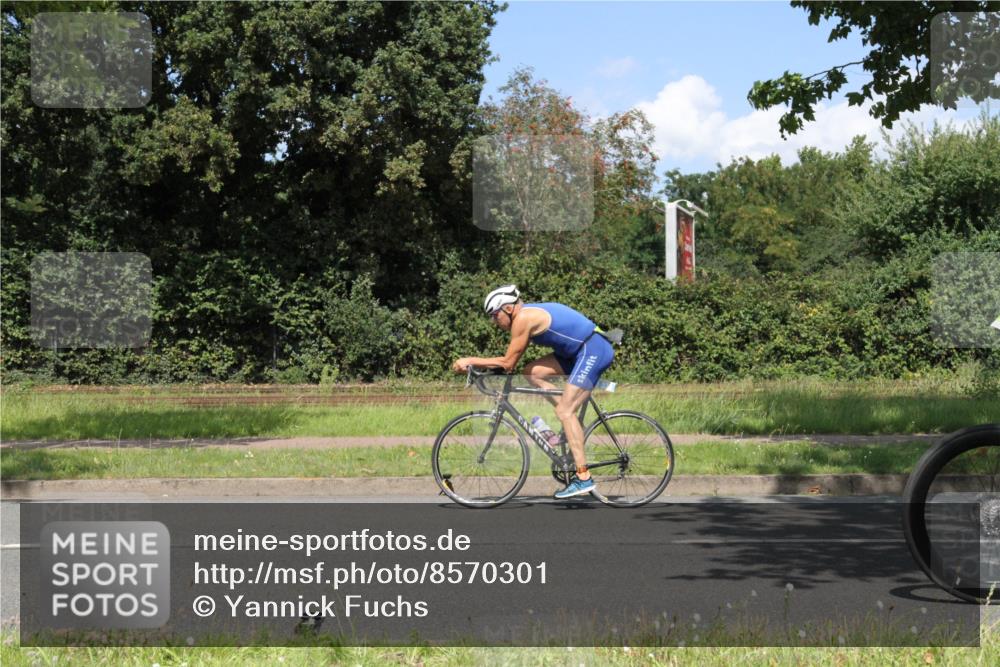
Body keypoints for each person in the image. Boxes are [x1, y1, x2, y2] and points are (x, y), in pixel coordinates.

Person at [451, 285, 615, 499]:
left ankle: (584, 477)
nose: (494, 321)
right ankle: (571, 420)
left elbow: (508, 363)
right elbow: (510, 365)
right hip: (576, 353)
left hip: (592, 349)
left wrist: (470, 360)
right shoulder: (525, 315)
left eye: (494, 315)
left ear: (508, 308)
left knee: (565, 411)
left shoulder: (523, 319)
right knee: (532, 372)